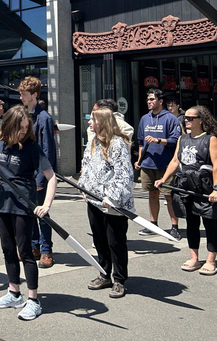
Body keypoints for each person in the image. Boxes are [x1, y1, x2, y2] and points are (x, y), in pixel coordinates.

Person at [0, 105, 56, 321]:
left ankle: (33, 300)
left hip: (24, 205)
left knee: (25, 252)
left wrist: (46, 205)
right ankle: (14, 292)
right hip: (2, 204)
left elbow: (51, 177)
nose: (23, 131)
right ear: (10, 125)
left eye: (26, 127)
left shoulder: (31, 147)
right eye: (20, 127)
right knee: (7, 249)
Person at [154, 105, 217, 275]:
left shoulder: (210, 139)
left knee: (209, 222)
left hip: (204, 184)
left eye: (191, 118)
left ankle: (210, 260)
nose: (187, 120)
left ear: (201, 120)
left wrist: (216, 189)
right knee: (191, 223)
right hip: (185, 184)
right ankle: (194, 257)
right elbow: (175, 161)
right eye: (186, 117)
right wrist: (163, 179)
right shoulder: (182, 139)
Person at [79, 108, 134, 298]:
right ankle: (104, 274)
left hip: (113, 204)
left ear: (102, 122)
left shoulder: (117, 143)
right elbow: (85, 166)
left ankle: (119, 279)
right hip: (93, 200)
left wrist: (111, 197)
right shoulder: (93, 141)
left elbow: (124, 174)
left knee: (115, 242)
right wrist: (83, 188)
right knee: (99, 239)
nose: (89, 123)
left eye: (92, 119)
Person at [18, 76, 57, 269]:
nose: (21, 98)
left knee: (43, 213)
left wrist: (42, 177)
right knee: (30, 212)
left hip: (38, 173)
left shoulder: (44, 118)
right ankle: (34, 246)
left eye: (24, 94)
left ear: (34, 95)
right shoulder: (24, 115)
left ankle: (46, 250)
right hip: (25, 173)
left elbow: (48, 150)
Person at [135, 88, 182, 240]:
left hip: (166, 164)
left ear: (160, 101)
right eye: (148, 100)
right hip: (148, 163)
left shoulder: (170, 119)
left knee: (169, 196)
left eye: (152, 99)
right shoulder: (144, 119)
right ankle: (153, 224)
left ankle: (175, 227)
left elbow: (176, 140)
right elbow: (141, 142)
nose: (149, 102)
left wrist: (158, 140)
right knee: (152, 194)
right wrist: (140, 160)